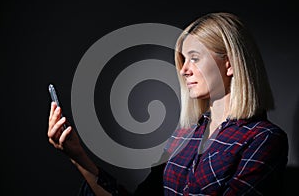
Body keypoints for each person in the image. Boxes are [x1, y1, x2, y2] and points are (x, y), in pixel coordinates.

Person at [47, 12, 289, 195]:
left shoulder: (264, 139)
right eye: (183, 60)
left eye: (194, 58)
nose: (183, 70)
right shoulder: (184, 134)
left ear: (230, 63)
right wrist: (78, 156)